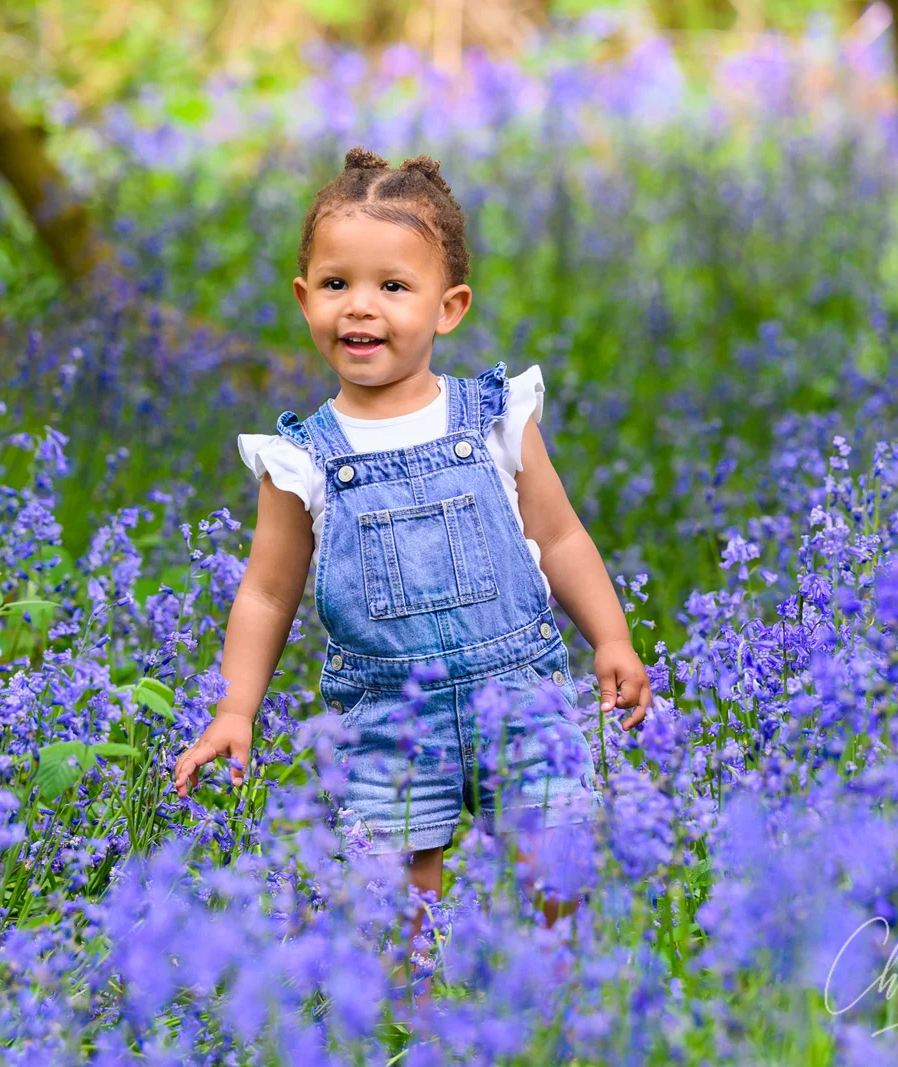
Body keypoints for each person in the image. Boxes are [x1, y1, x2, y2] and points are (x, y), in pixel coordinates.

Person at [172, 145, 650, 917]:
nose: (360, 306)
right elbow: (265, 593)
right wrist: (235, 710)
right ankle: (410, 1028)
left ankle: (559, 1019)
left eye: (393, 286)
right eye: (336, 284)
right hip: (389, 715)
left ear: (448, 307)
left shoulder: (495, 415)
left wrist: (611, 636)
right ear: (304, 299)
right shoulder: (301, 459)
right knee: (395, 910)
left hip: (520, 694)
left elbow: (559, 537)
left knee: (558, 880)